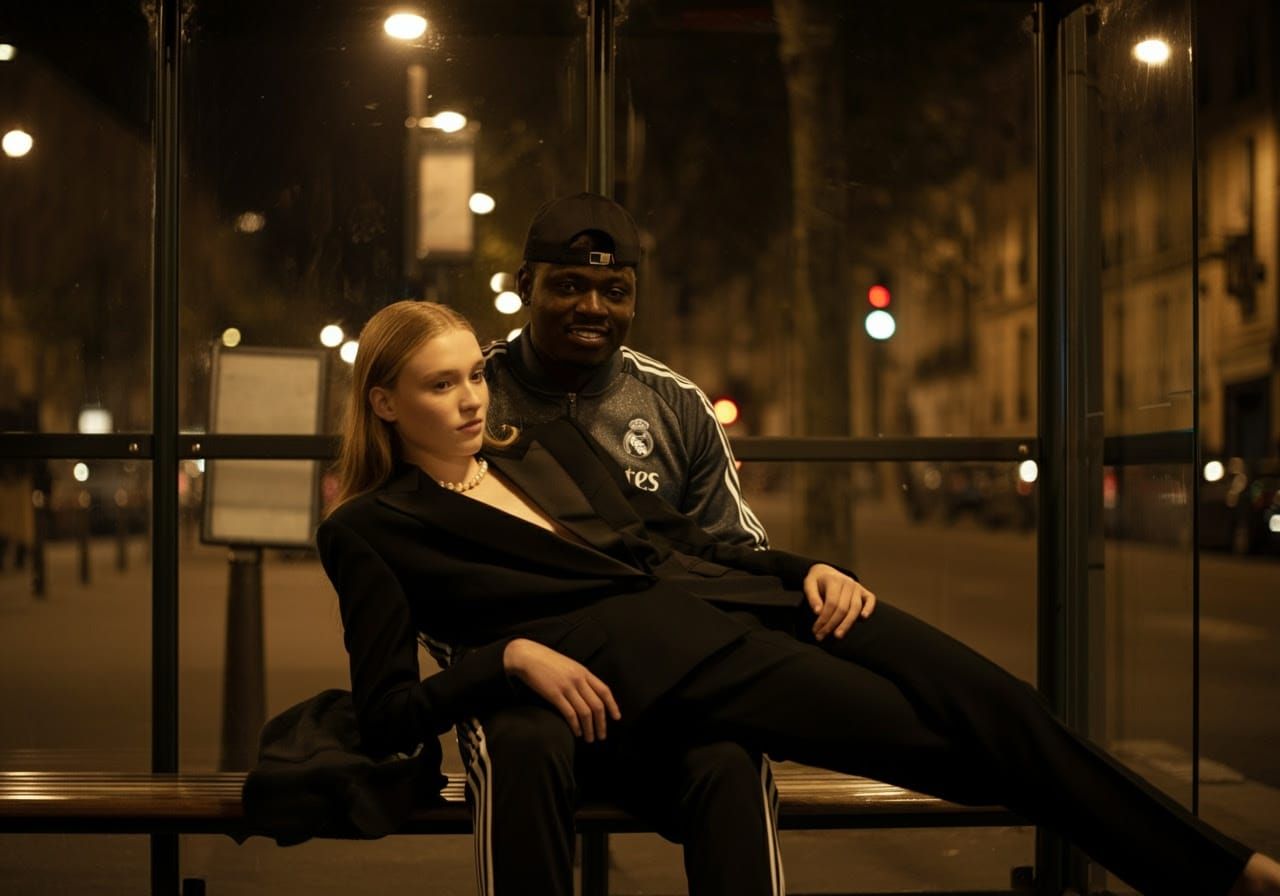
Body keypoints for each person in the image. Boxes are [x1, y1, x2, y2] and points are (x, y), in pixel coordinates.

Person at [318, 300, 1280, 896]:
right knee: (966, 747)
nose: (474, 398)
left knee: (998, 705)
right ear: (386, 403)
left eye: (476, 374)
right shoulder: (371, 529)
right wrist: (510, 659)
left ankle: (1214, 868)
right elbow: (387, 712)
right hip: (676, 668)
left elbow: (670, 541)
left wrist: (798, 567)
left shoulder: (528, 452)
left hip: (742, 603)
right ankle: (1217, 875)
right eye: (442, 385)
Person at [472, 193, 781, 893]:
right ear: (526, 287)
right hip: (526, 693)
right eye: (569, 285)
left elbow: (734, 558)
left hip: (659, 688)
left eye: (615, 291)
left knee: (732, 757)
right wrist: (500, 663)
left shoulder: (675, 405)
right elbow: (430, 567)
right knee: (522, 747)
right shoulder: (474, 394)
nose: (593, 307)